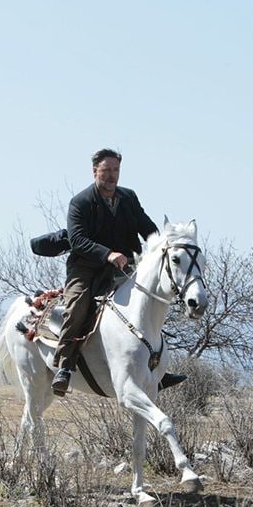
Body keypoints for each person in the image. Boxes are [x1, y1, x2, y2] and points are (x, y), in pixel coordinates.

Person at [52, 149, 184, 395]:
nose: (112, 176)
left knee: (150, 304)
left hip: (125, 268)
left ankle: (157, 371)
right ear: (95, 171)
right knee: (77, 305)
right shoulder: (80, 202)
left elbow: (147, 227)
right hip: (87, 268)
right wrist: (107, 254)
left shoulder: (128, 198)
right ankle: (65, 366)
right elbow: (78, 239)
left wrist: (161, 244)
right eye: (106, 170)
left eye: (115, 170)